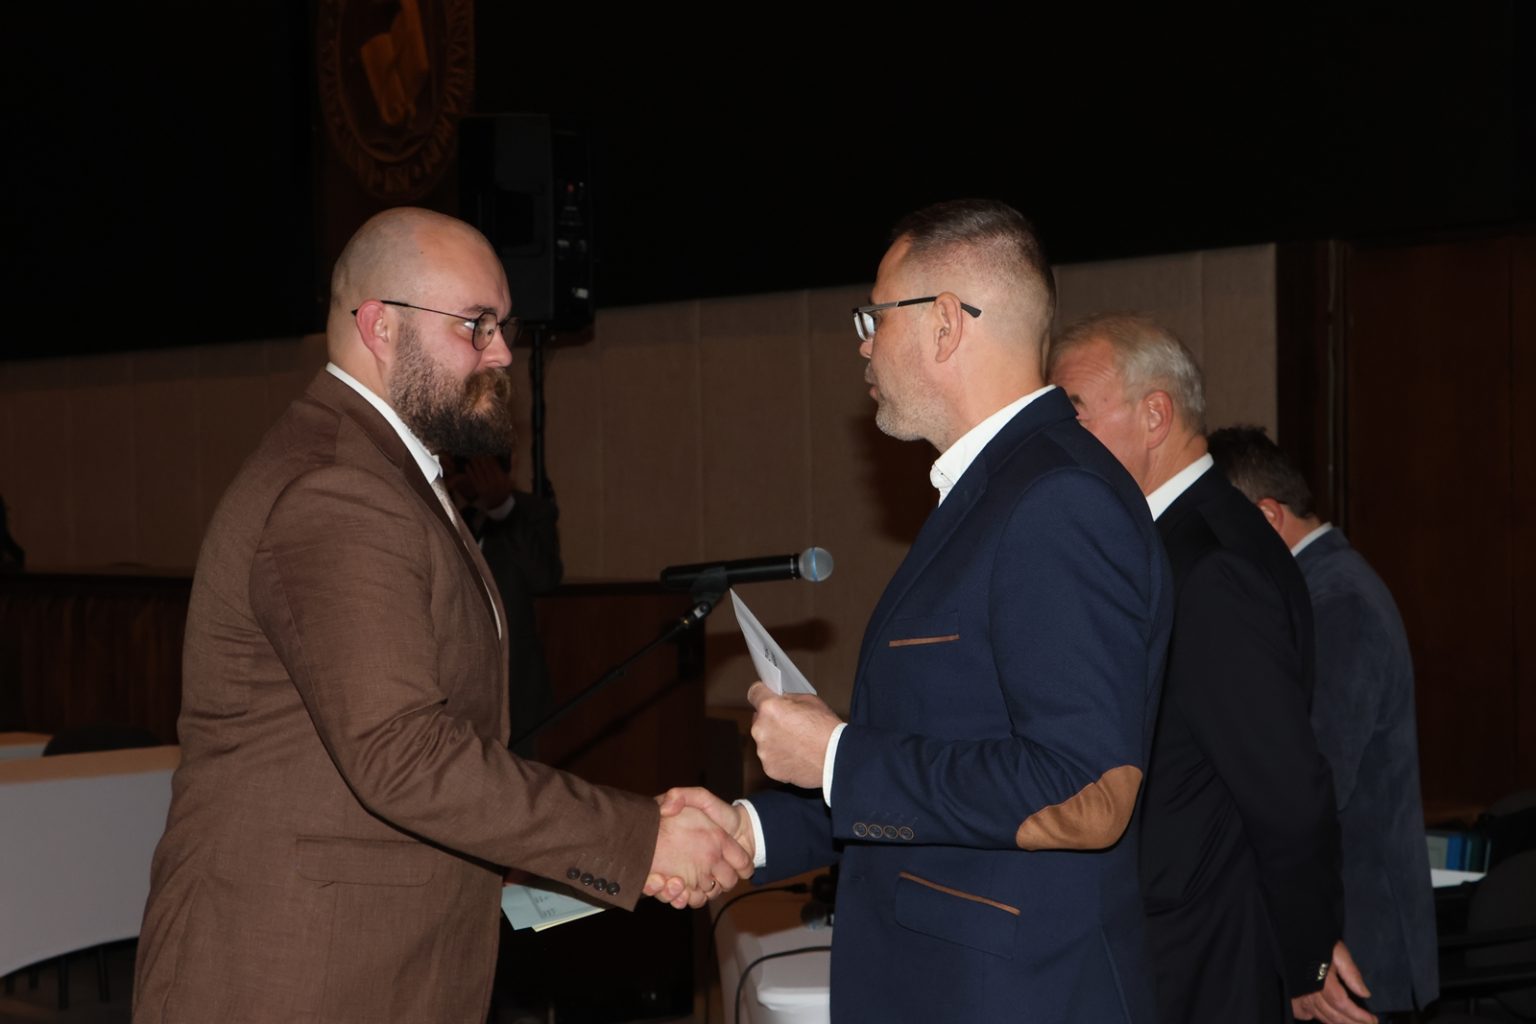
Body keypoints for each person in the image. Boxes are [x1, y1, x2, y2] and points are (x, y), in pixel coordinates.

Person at [131, 207, 749, 1024]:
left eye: (503, 327)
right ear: (380, 327)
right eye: (475, 324)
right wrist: (641, 839)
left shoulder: (389, 474)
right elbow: (401, 751)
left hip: (375, 966)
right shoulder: (336, 487)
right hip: (296, 976)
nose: (502, 353)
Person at [666, 200, 1172, 1022]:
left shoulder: (1056, 498)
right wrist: (747, 830)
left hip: (1014, 998)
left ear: (944, 324)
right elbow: (937, 755)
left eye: (875, 317)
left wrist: (836, 755)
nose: (864, 344)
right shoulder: (996, 492)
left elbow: (1085, 791)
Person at [1046, 313, 1373, 1024]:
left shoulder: (1207, 565)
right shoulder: (1190, 537)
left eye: (1074, 413)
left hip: (1199, 945)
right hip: (1183, 929)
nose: (1058, 440)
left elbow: (1285, 783)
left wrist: (1308, 953)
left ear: (1154, 415)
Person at [1208, 425, 1439, 1019]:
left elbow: (1315, 784)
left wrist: (1303, 951)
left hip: (1354, 948)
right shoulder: (1325, 586)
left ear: (1267, 517)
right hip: (1339, 939)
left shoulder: (1336, 603)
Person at [443, 453, 563, 757]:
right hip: (449, 680)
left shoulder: (530, 512)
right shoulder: (434, 506)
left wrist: (502, 510)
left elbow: (544, 578)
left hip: (515, 685)